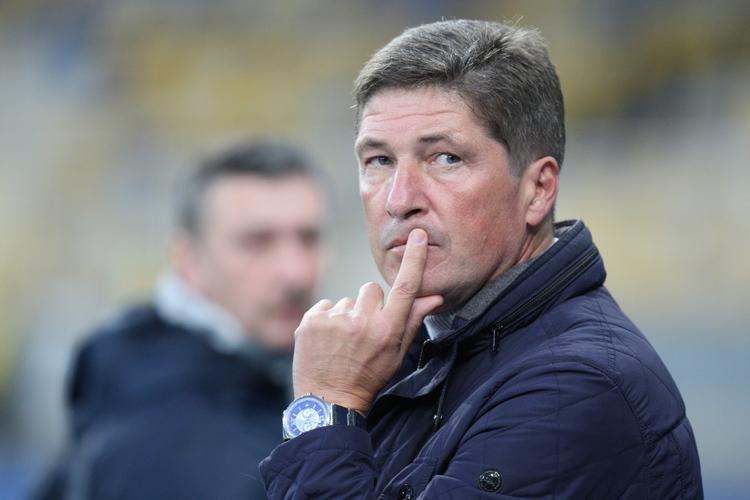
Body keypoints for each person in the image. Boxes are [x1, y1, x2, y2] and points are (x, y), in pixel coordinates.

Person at [260, 20, 703, 499]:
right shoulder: (421, 349)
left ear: (538, 189)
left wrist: (327, 408)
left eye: (445, 158)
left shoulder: (573, 387)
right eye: (379, 161)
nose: (399, 200)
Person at [33, 140, 325, 500]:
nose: (295, 273)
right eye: (257, 242)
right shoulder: (167, 433)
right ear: (189, 259)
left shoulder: (146, 374)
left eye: (308, 239)